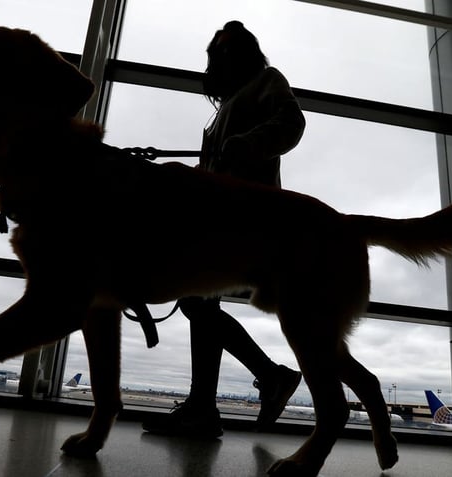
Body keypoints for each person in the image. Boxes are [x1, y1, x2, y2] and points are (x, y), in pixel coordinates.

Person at [143, 20, 306, 438]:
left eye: (222, 50)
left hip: (244, 216)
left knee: (197, 303)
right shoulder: (227, 107)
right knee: (200, 305)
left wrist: (248, 143)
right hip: (221, 217)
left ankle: (261, 380)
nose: (214, 58)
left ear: (243, 52)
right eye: (213, 51)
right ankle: (208, 406)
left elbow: (292, 124)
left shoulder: (266, 81)